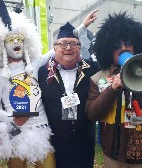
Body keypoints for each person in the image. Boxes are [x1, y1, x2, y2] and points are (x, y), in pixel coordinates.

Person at [0, 0, 97, 168]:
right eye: (10, 40)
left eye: (19, 39)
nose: (16, 43)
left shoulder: (36, 63)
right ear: (1, 45)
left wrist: (81, 27)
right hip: (15, 133)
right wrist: (12, 118)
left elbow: (60, 47)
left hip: (41, 130)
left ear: (26, 42)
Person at [85, 12, 142, 167]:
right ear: (108, 49)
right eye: (116, 45)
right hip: (114, 153)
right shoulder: (98, 78)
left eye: (128, 43)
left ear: (136, 45)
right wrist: (112, 89)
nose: (123, 48)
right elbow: (92, 113)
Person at [38, 11, 99, 168]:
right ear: (55, 48)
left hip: (85, 138)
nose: (68, 48)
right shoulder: (43, 72)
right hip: (56, 140)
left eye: (73, 44)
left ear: (80, 47)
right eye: (63, 44)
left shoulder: (92, 69)